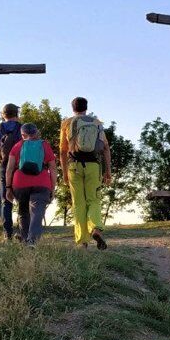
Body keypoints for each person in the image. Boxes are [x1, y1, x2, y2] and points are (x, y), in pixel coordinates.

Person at [59, 97, 112, 249]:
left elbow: (63, 150)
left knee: (78, 203)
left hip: (74, 166)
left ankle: (82, 241)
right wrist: (108, 170)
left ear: (72, 108)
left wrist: (64, 173)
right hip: (93, 166)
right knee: (93, 200)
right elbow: (105, 148)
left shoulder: (67, 123)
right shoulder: (97, 123)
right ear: (86, 107)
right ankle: (95, 228)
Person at [4, 123, 57, 246]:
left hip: (20, 183)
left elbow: (9, 169)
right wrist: (52, 188)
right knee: (37, 212)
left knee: (23, 212)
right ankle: (32, 241)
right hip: (42, 183)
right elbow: (53, 169)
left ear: (23, 135)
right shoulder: (44, 145)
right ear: (36, 133)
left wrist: (8, 187)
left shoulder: (17, 146)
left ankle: (25, 239)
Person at [0, 104, 23, 241]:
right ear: (16, 113)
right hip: (20, 167)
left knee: (6, 201)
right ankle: (22, 232)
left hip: (3, 166)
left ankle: (8, 235)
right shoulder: (22, 128)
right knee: (21, 200)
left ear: (3, 114)